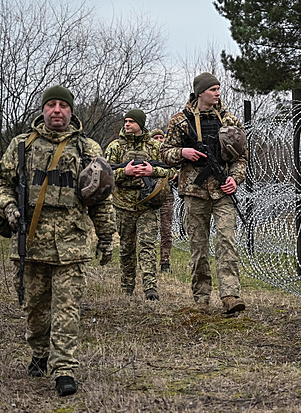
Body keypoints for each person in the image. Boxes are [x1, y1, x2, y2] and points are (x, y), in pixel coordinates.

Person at [0, 85, 116, 397]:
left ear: (71, 111)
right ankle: (39, 353)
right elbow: (0, 181)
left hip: (71, 243)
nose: (57, 110)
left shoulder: (88, 150)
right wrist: (8, 207)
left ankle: (65, 369)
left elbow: (101, 199)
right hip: (31, 242)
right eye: (51, 105)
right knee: (35, 308)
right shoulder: (22, 145)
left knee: (67, 308)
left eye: (63, 105)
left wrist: (105, 237)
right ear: (43, 110)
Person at [161, 72, 247, 315]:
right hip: (194, 191)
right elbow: (165, 153)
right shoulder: (180, 121)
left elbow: (241, 156)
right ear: (200, 93)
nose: (217, 93)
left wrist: (234, 179)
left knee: (226, 241)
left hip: (222, 192)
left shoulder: (230, 121)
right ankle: (201, 298)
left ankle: (230, 295)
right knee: (198, 246)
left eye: (219, 89)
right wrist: (183, 153)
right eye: (213, 89)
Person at [105, 110, 175, 301]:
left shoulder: (155, 147)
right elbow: (104, 174)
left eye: (132, 121)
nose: (127, 124)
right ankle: (126, 287)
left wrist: (152, 171)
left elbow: (171, 172)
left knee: (147, 246)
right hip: (123, 206)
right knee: (127, 249)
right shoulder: (115, 147)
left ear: (141, 124)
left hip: (148, 206)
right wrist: (125, 172)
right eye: (126, 121)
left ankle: (150, 288)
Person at [150, 128, 176, 274]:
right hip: (150, 197)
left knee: (166, 231)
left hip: (166, 196)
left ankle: (165, 262)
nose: (159, 140)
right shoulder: (148, 154)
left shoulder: (168, 156)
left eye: (161, 137)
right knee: (149, 232)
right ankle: (149, 261)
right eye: (156, 137)